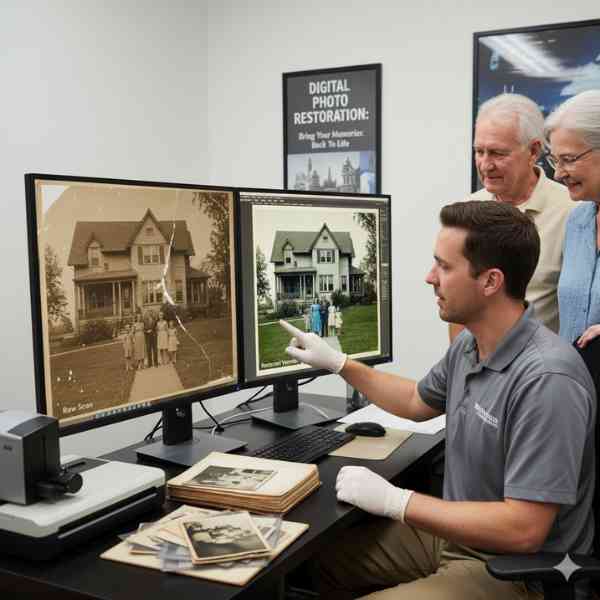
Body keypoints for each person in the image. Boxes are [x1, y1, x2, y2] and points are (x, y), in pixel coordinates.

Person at [280, 201, 595, 600]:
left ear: (491, 281)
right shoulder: (471, 343)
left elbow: (523, 528)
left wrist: (398, 501)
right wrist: (340, 363)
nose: (431, 277)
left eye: (445, 267)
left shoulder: (548, 379)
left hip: (521, 571)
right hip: (457, 538)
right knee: (311, 563)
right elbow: (416, 399)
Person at [449, 93, 572, 340]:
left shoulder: (571, 212)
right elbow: (457, 304)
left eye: (497, 153)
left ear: (534, 151)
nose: (485, 165)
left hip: (538, 373)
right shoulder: (467, 211)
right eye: (479, 151)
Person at [545, 90, 600, 348]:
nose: (557, 174)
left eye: (568, 160)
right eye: (554, 161)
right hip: (576, 384)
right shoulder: (578, 220)